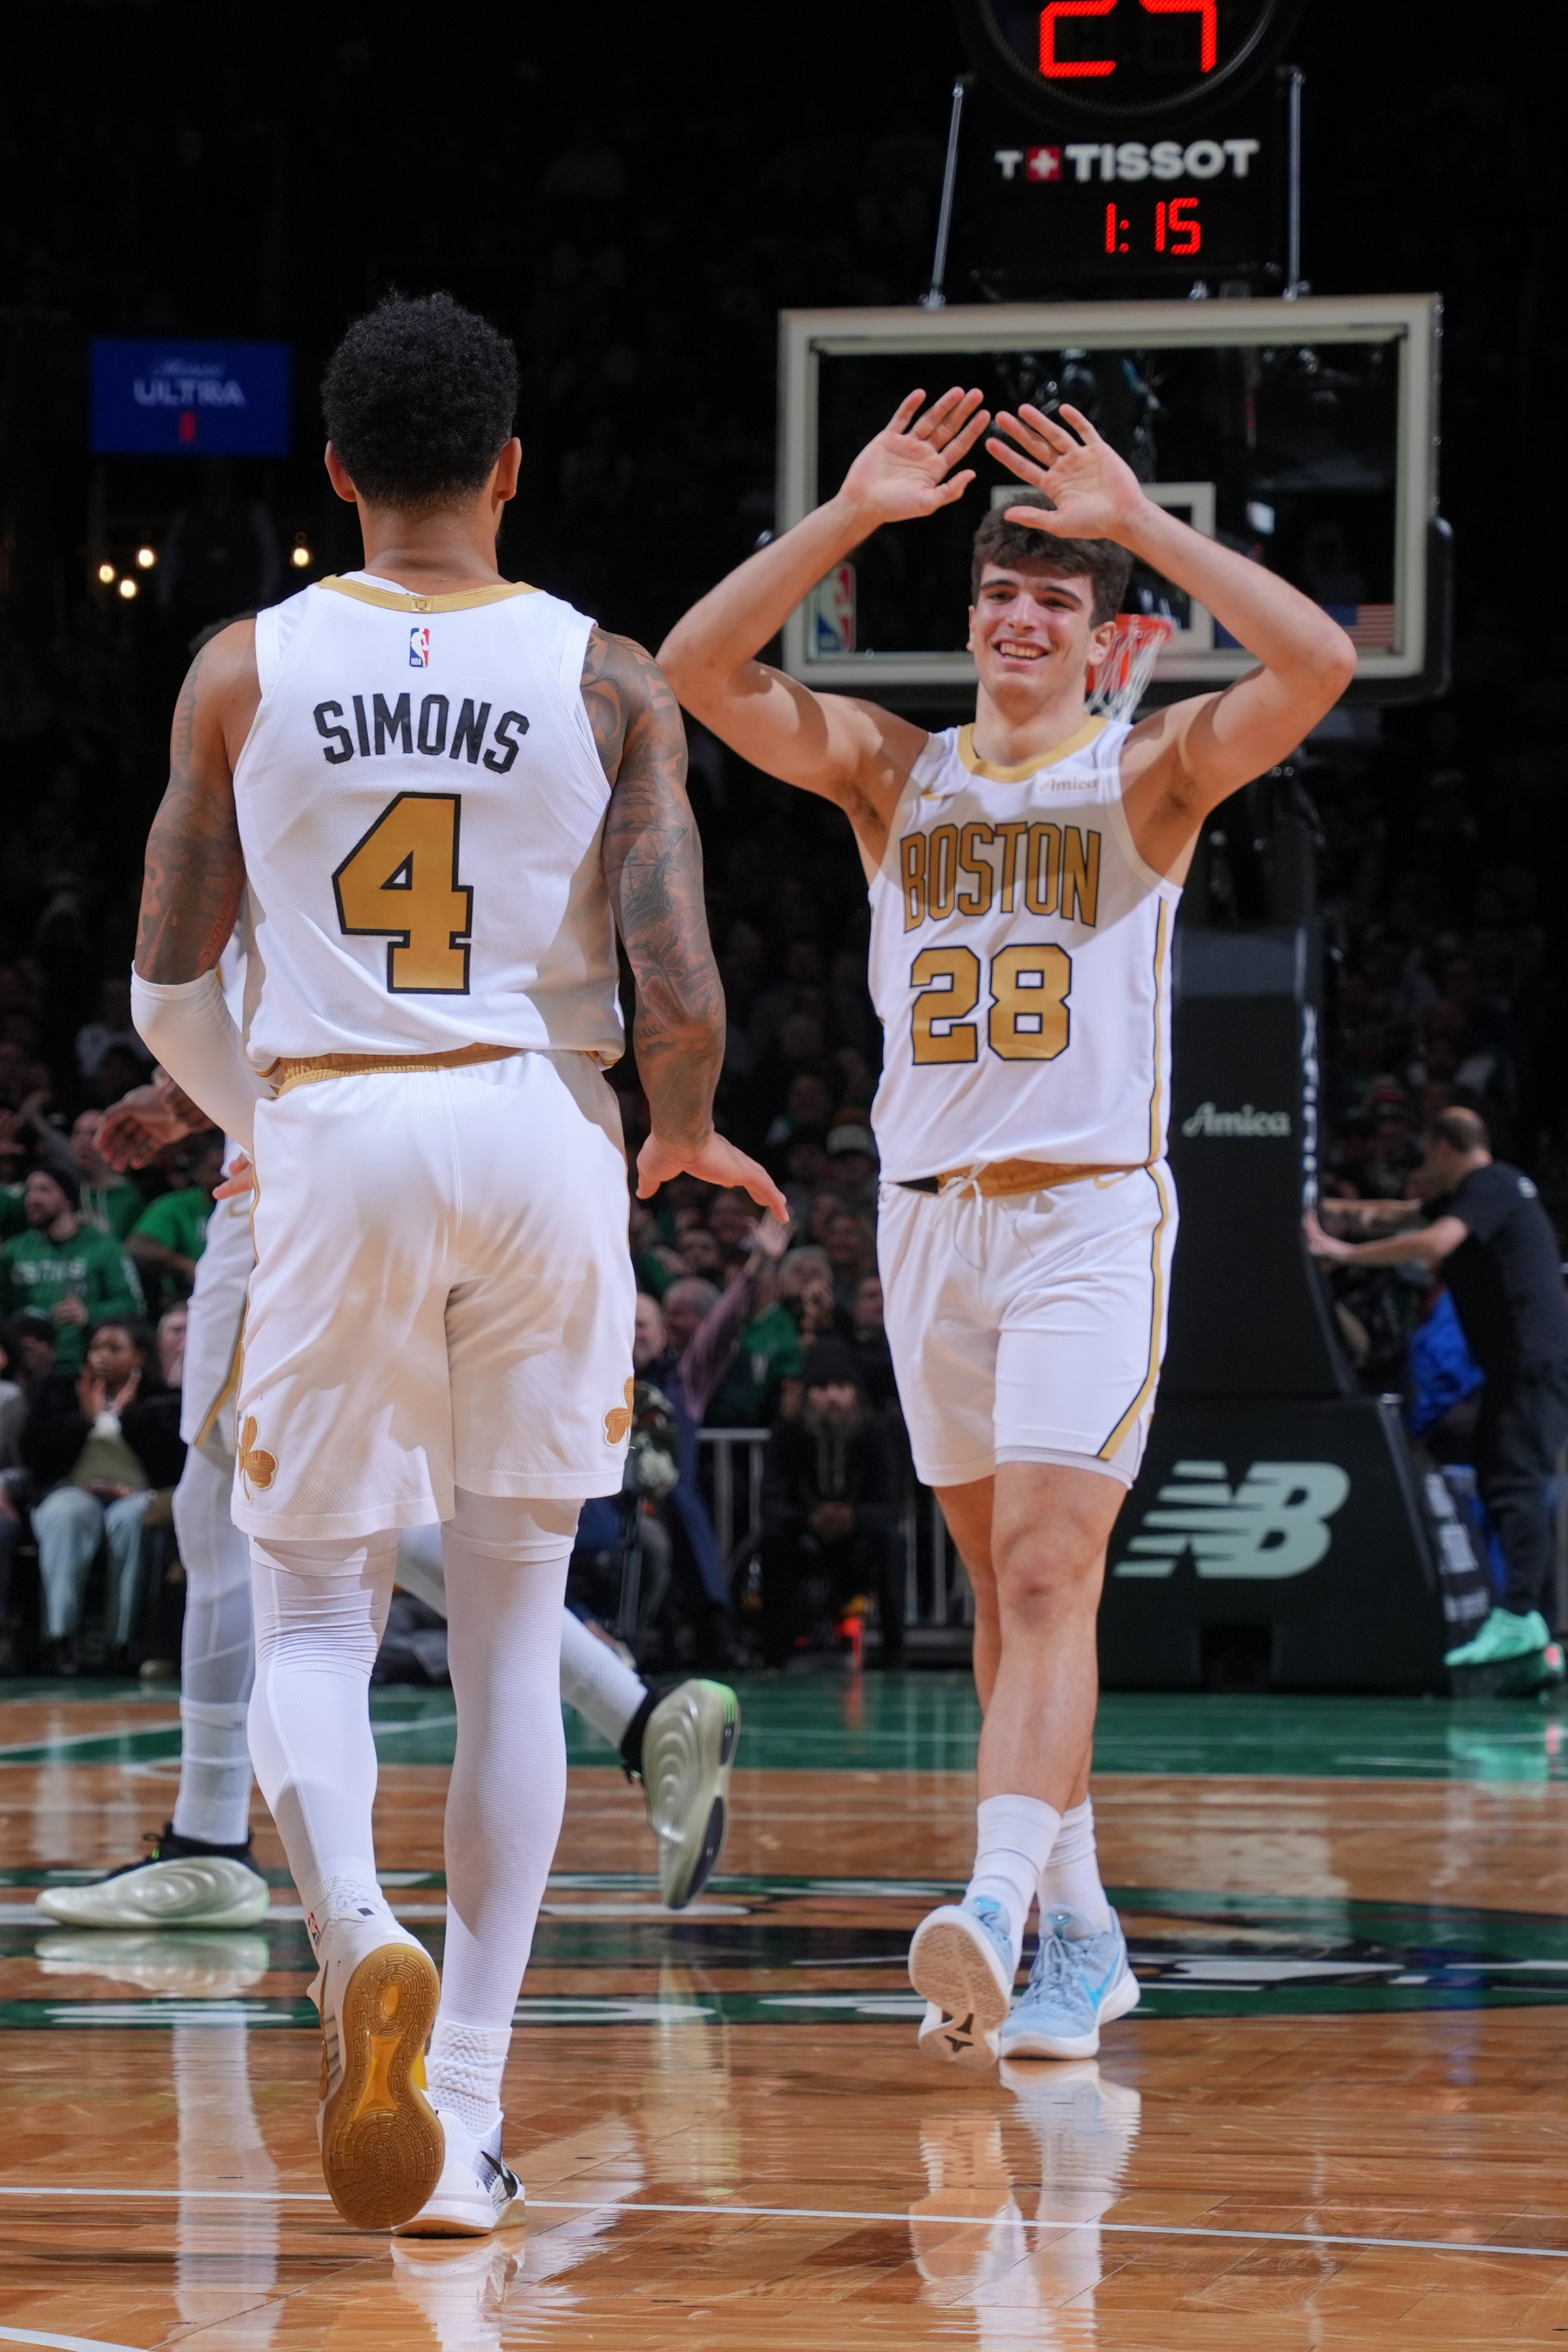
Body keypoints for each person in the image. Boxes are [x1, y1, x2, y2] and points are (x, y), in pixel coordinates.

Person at [123, 290, 781, 2236]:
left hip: (337, 1118)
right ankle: (466, 2125)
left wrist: (264, 1130)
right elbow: (680, 980)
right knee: (507, 1638)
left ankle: (353, 1940)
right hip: (536, 1128)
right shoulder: (607, 679)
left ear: (333, 473)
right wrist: (669, 1129)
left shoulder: (242, 668)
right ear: (510, 468)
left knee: (309, 1617)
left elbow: (165, 984)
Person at [659, 384, 1354, 2070]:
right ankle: (1085, 1935)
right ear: (967, 617)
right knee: (1001, 1592)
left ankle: (989, 1906)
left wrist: (1142, 526)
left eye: (1054, 598)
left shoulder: (1152, 779)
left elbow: (1319, 665)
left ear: (1105, 638)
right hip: (930, 1232)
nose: (1020, 616)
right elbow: (697, 670)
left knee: (1052, 1571)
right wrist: (848, 515)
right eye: (998, 593)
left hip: (1088, 1229)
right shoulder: (901, 778)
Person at [69, 1070, 744, 1929]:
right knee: (400, 1518)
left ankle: (225, 1847)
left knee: (243, 1511)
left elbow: (260, 982)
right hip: (519, 1162)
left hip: (315, 1168)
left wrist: (180, 1095)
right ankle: (638, 1716)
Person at [1307, 1106, 1568, 1671]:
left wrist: (1343, 1254)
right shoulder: (1486, 1191)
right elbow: (1396, 1215)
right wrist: (1323, 1210)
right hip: (1519, 1368)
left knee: (1518, 1484)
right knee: (1507, 1476)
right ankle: (1544, 1636)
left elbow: (1435, 1243)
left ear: (1443, 1149)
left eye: (1428, 1157)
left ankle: (1523, 1614)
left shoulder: (1491, 1185)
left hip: (1531, 1366)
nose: (1426, 1170)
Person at [21, 1316, 183, 1673]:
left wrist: (127, 1416)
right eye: (96, 1347)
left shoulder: (162, 1399)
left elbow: (171, 1462)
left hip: (138, 1495)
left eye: (114, 1348)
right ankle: (58, 1640)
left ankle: (122, 1643)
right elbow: (36, 1457)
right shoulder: (59, 1392)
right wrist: (85, 1421)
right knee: (68, 1516)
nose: (102, 1357)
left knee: (133, 1522)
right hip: (74, 1491)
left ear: (139, 1356)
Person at [759, 1339, 903, 1666]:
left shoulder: (875, 1434)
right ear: (808, 1395)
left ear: (856, 1393)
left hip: (859, 1541)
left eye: (842, 1387)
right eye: (822, 1388)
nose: (833, 1397)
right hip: (804, 1540)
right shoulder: (787, 1435)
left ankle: (895, 1652)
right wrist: (809, 1519)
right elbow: (771, 1503)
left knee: (892, 1543)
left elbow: (891, 1505)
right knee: (773, 1543)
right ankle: (774, 1652)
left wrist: (851, 1517)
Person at [0, 1164, 145, 1372]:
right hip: (20, 1369)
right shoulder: (13, 1251)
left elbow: (133, 1305)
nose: (33, 1199)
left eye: (44, 1190)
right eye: (29, 1190)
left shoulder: (104, 1247)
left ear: (68, 1199)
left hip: (80, 1367)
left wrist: (90, 1313)